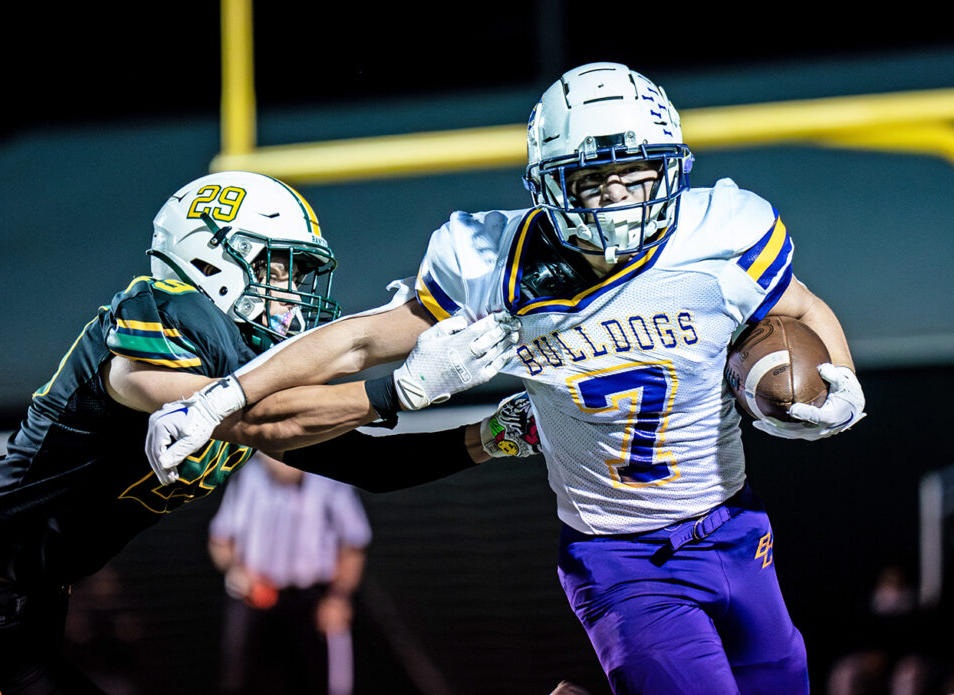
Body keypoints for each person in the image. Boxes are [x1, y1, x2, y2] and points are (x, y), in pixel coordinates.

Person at [147, 63, 868, 694]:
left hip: (737, 525)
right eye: (593, 179)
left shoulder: (721, 234)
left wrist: (846, 384)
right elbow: (360, 339)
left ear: (669, 167)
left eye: (636, 173)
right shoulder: (494, 264)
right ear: (551, 187)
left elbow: (802, 305)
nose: (618, 197)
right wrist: (223, 396)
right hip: (622, 557)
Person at [0, 170, 515, 694]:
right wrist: (397, 390)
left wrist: (497, 432)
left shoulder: (243, 372)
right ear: (209, 260)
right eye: (276, 266)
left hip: (31, 596)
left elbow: (371, 464)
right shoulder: (161, 320)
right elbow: (255, 418)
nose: (292, 290)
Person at [208, 452, 371, 695]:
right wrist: (236, 571)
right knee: (243, 681)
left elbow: (354, 544)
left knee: (316, 682)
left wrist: (339, 597)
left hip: (313, 601)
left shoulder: (330, 481)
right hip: (257, 600)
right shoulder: (246, 477)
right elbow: (220, 540)